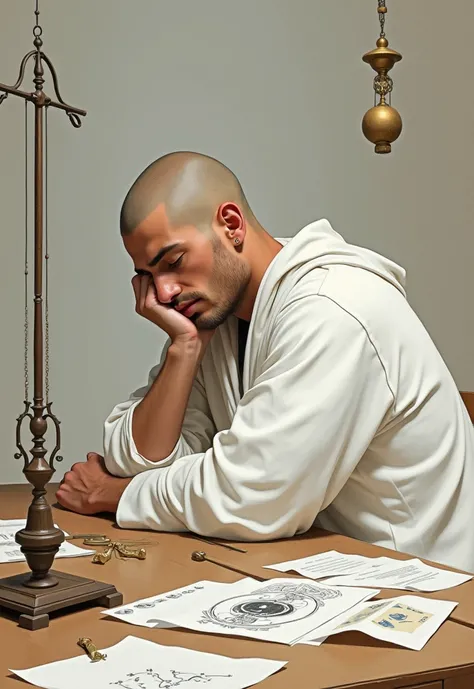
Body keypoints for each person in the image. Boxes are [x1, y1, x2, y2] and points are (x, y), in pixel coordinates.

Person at [56, 151, 474, 572]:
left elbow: (253, 496)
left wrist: (116, 495)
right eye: (147, 274)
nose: (162, 293)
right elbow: (135, 460)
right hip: (324, 570)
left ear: (231, 225)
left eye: (174, 262)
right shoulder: (213, 323)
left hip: (427, 590)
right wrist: (183, 350)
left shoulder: (332, 307)